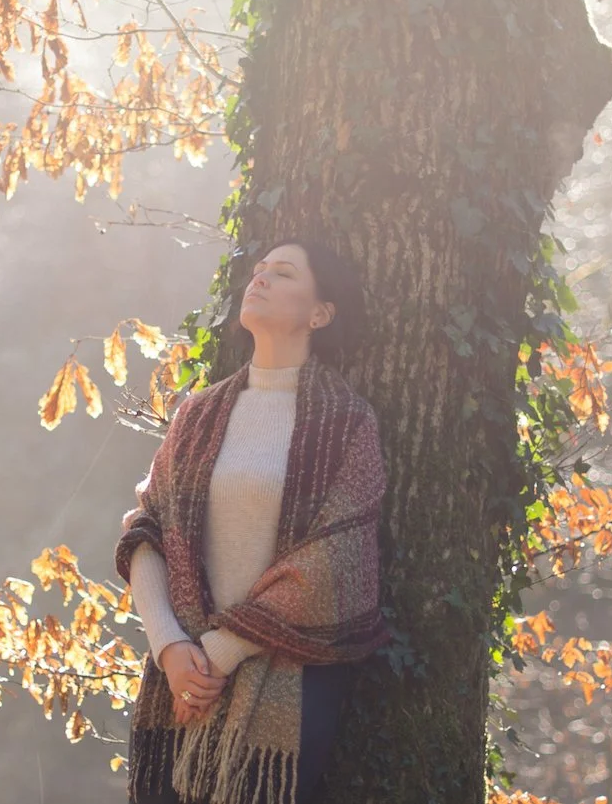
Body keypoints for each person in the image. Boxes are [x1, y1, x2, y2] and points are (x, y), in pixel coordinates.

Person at [115, 239, 390, 804]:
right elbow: (146, 530)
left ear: (320, 314)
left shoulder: (345, 423)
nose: (259, 279)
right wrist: (170, 648)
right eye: (258, 269)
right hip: (181, 674)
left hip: (286, 678)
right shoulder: (199, 414)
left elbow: (336, 561)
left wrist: (219, 653)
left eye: (283, 273)